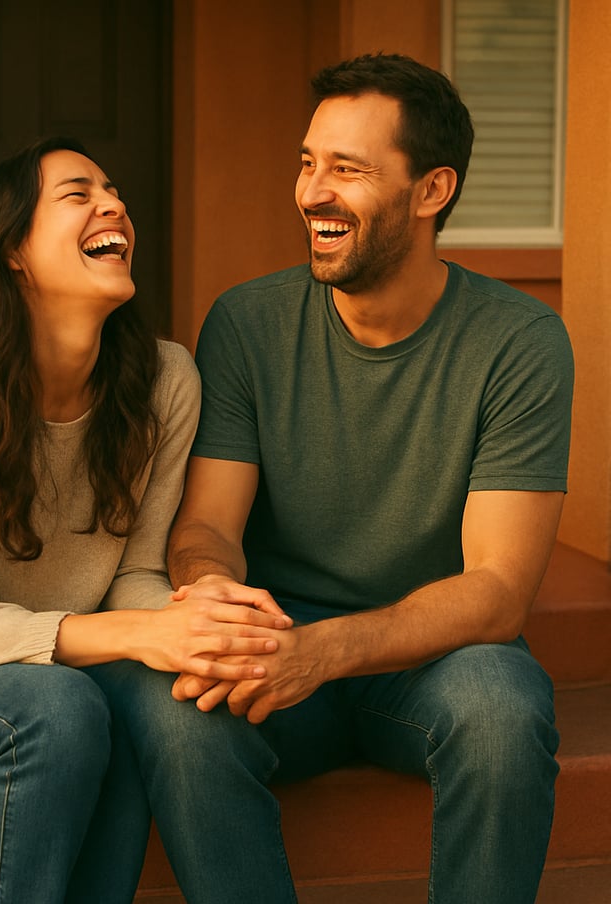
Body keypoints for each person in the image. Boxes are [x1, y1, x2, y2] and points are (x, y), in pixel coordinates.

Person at [103, 55, 574, 903]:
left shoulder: (519, 341)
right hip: (278, 635)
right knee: (177, 712)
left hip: (434, 654)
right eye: (307, 162)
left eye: (348, 170)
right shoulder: (248, 321)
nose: (312, 193)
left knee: (503, 710)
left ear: (431, 191)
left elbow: (499, 591)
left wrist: (324, 653)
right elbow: (208, 526)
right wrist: (216, 599)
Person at [0, 136, 289, 904]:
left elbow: (136, 574)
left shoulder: (166, 380)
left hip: (66, 676)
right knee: (66, 707)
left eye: (113, 191)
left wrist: (198, 624)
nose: (113, 204)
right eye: (78, 194)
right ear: (12, 251)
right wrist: (144, 635)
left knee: (162, 703)